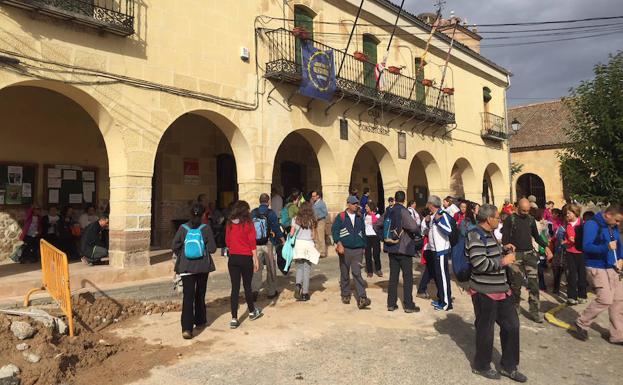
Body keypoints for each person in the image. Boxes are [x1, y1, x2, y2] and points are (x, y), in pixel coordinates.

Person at [468, 204, 527, 383]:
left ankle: (509, 366)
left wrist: (503, 249)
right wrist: (504, 261)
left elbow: (489, 255)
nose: (500, 220)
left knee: (512, 326)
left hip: (501, 289)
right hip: (484, 291)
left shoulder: (490, 234)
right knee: (485, 330)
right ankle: (481, 365)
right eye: (497, 217)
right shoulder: (475, 235)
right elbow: (480, 264)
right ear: (489, 219)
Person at [574, 204, 623, 345]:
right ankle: (582, 322)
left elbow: (618, 244)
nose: (618, 224)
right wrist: (605, 247)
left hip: (612, 266)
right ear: (608, 215)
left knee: (619, 301)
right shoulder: (591, 224)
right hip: (596, 266)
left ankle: (618, 334)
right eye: (617, 220)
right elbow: (587, 246)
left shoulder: (612, 226)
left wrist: (621, 258)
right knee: (605, 299)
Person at [502, 198, 552, 323]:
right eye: (523, 210)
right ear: (517, 207)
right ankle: (515, 308)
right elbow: (505, 239)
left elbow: (536, 236)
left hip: (530, 255)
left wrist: (546, 247)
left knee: (534, 284)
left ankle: (534, 311)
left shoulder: (530, 219)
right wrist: (507, 246)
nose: (525, 213)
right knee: (515, 284)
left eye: (528, 210)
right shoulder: (510, 219)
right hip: (515, 256)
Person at [171, 203, 217, 339]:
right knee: (200, 294)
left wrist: (184, 253)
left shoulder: (183, 228)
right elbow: (213, 248)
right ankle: (200, 320)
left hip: (186, 267)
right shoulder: (206, 228)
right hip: (202, 267)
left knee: (188, 297)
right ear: (203, 215)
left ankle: (186, 328)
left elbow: (174, 245)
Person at [375, 191, 421, 313]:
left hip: (391, 248)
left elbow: (377, 225)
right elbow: (414, 227)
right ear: (404, 200)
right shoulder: (403, 211)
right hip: (404, 249)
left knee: (393, 277)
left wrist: (383, 239)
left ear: (394, 199)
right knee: (408, 278)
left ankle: (391, 304)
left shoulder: (388, 211)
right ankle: (408, 305)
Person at [225, 200, 263, 328]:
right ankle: (252, 311)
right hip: (246, 257)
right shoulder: (248, 223)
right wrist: (256, 259)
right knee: (247, 286)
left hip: (233, 258)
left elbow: (228, 242)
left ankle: (234, 318)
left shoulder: (229, 223)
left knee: (234, 288)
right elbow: (252, 243)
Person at [332, 195, 371, 309]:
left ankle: (362, 298)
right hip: (345, 249)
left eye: (356, 203)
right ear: (348, 204)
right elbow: (335, 230)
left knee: (357, 273)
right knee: (344, 273)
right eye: (353, 203)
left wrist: (364, 246)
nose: (356, 205)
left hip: (358, 250)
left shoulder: (359, 217)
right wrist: (338, 243)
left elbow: (363, 232)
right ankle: (345, 294)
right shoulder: (341, 217)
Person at [421, 195, 454, 311]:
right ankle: (441, 299)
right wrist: (427, 222)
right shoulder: (433, 216)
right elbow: (427, 232)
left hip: (441, 252)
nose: (427, 206)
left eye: (428, 204)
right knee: (439, 277)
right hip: (435, 251)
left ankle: (446, 303)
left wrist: (438, 220)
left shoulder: (441, 214)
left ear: (431, 204)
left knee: (443, 277)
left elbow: (449, 230)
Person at [251, 193, 284, 300]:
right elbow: (276, 228)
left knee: (256, 268)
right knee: (271, 267)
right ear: (268, 201)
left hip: (256, 245)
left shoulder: (253, 212)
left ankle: (255, 290)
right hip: (268, 243)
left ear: (259, 201)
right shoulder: (271, 213)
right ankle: (271, 291)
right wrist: (282, 240)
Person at [291, 202, 320, 301]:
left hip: (298, 244)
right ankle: (305, 293)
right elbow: (313, 235)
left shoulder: (295, 219)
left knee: (299, 267)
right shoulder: (312, 220)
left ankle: (298, 284)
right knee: (307, 269)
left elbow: (291, 233)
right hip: (308, 244)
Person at [563, 204, 587, 305]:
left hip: (581, 253)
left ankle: (582, 295)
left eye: (568, 213)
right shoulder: (568, 225)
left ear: (574, 212)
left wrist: (567, 241)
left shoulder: (582, 224)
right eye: (566, 213)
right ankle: (572, 296)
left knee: (582, 275)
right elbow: (570, 240)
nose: (567, 215)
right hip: (570, 253)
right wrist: (568, 241)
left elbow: (575, 239)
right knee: (571, 274)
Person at [364, 201, 382, 278]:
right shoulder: (365, 215)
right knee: (367, 255)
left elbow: (375, 222)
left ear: (370, 207)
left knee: (376, 254)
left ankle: (378, 269)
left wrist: (371, 214)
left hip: (375, 236)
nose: (365, 208)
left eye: (367, 207)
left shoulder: (377, 215)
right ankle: (369, 271)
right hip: (367, 236)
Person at [311, 190, 328, 258]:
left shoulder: (321, 203)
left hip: (320, 221)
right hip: (315, 222)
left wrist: (318, 217)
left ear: (318, 196)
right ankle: (318, 251)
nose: (312, 197)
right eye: (312, 196)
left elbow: (325, 213)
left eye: (314, 196)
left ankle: (323, 252)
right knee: (316, 237)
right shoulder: (314, 203)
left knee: (321, 237)